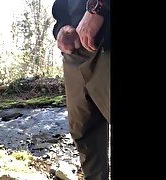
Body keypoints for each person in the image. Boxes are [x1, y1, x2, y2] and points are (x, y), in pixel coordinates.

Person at [52, 0, 110, 179]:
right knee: (85, 133)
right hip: (73, 53)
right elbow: (61, 8)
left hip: (107, 42)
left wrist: (99, 8)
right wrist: (60, 29)